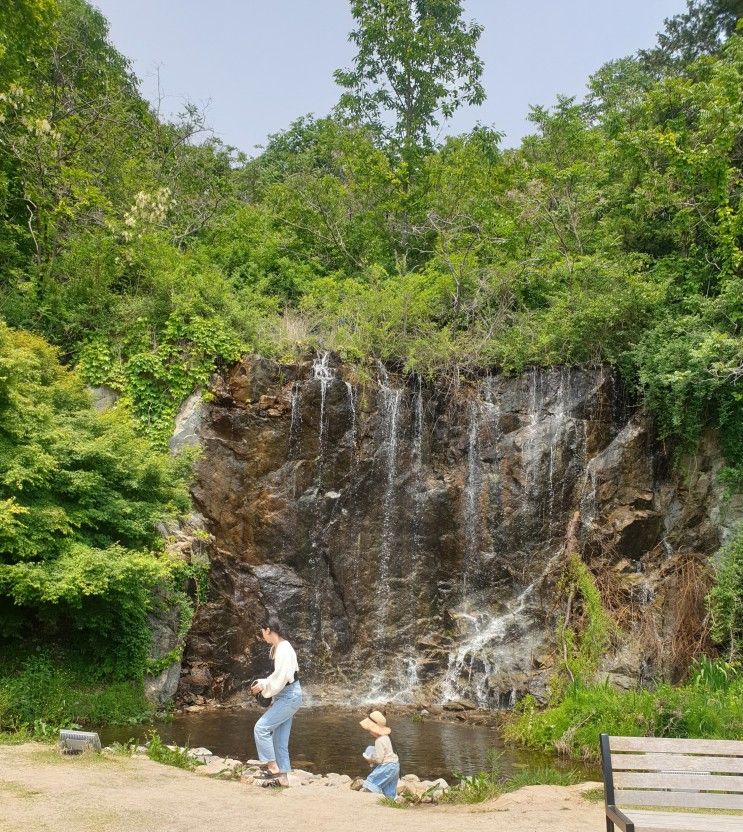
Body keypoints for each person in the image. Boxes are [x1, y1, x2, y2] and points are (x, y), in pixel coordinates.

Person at [249, 617, 301, 787]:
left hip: (289, 696)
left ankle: (272, 768)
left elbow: (282, 677)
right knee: (279, 741)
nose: (262, 635)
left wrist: (264, 686)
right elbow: (277, 676)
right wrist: (264, 683)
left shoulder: (284, 648)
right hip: (285, 696)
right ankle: (283, 779)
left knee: (261, 728)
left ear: (268, 630)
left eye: (262, 632)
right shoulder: (276, 648)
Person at [354, 710, 400, 798]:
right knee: (389, 790)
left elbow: (379, 759)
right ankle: (392, 804)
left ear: (374, 729)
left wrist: (370, 760)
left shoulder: (379, 741)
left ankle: (369, 803)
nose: (369, 732)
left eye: (369, 729)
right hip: (395, 765)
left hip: (387, 766)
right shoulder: (386, 737)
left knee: (371, 783)